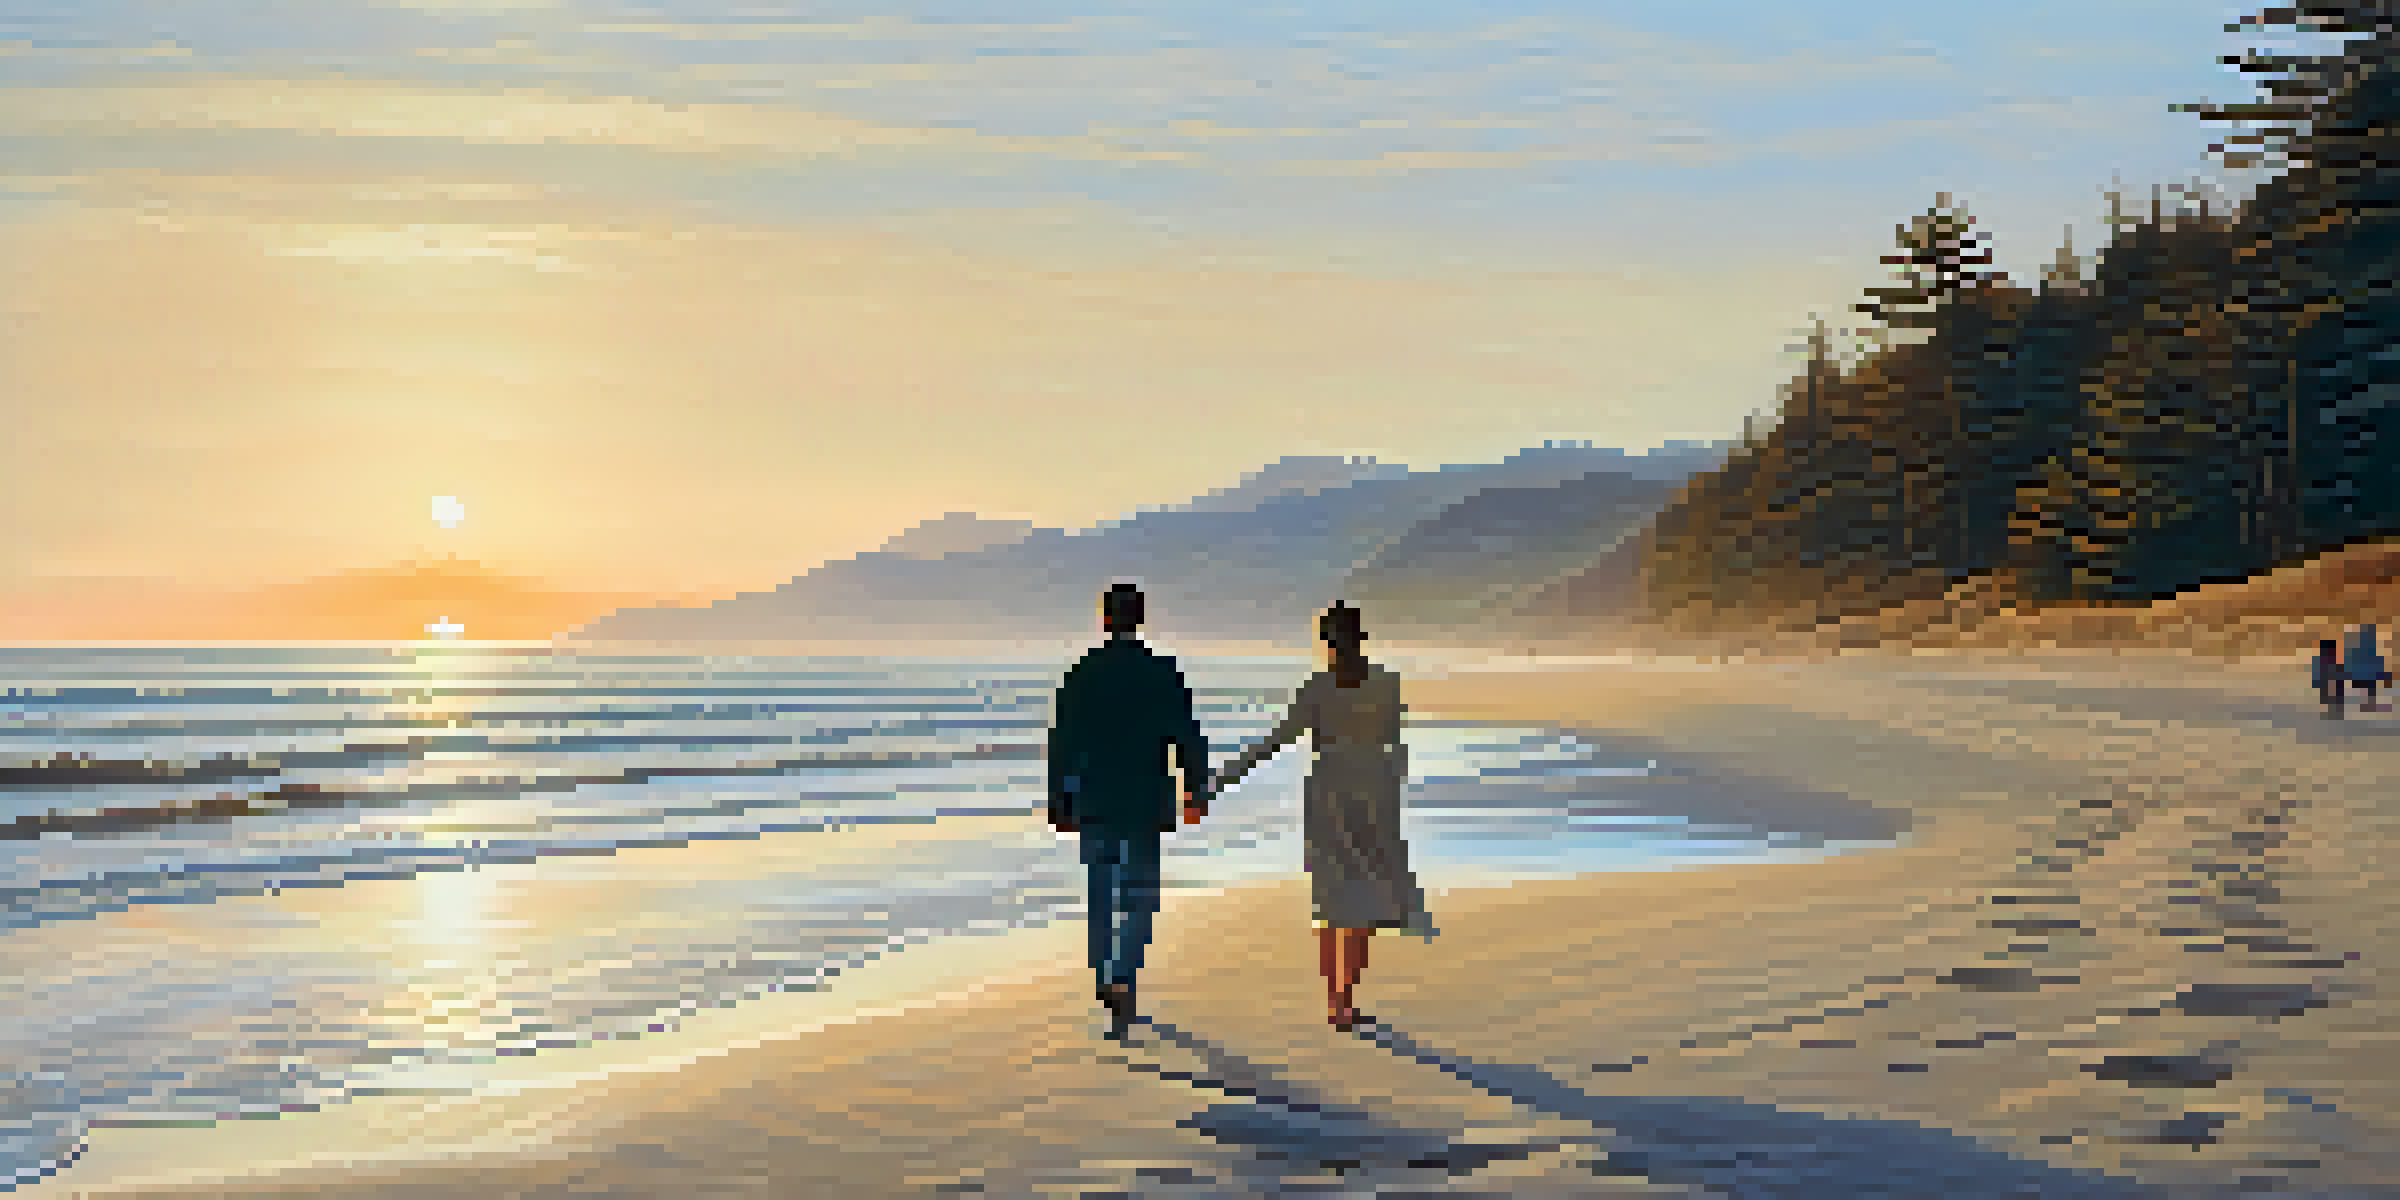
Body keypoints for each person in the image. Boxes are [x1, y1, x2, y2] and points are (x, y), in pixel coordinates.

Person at [1213, 601, 1432, 1031]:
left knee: (1332, 900)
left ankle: (1337, 1001)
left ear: (1327, 643)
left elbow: (1274, 741)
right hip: (1374, 796)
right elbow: (1393, 742)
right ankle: (1347, 995)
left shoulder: (1317, 690)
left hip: (1329, 798)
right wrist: (1393, 790)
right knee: (1367, 899)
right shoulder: (1387, 685)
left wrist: (1218, 781)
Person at [1048, 583, 1211, 1039]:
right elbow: (1186, 735)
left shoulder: (1082, 672)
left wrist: (1058, 800)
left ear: (1104, 620)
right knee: (1138, 895)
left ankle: (1106, 978)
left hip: (1093, 800)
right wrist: (1195, 790)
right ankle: (1122, 974)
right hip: (1142, 798)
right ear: (1138, 620)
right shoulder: (1161, 672)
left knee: (1101, 896)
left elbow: (1061, 742)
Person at [2346, 624, 2390, 712]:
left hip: (2363, 680)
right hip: (2364, 680)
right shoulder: (2359, 652)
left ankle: (2365, 705)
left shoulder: (2356, 652)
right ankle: (2366, 705)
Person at [2313, 638, 2345, 719]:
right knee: (2330, 702)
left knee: (2331, 702)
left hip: (2331, 685)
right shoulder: (2324, 663)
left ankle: (2333, 715)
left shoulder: (2324, 662)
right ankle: (2333, 715)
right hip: (2329, 684)